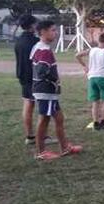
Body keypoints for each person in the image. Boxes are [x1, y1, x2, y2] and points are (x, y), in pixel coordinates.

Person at [31, 20, 82, 159]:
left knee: (59, 118)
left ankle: (65, 147)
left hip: (48, 92)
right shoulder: (44, 50)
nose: (56, 32)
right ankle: (41, 152)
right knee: (44, 119)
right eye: (53, 30)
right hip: (45, 91)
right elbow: (41, 70)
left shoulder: (39, 47)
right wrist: (54, 79)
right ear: (43, 32)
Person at [14, 14, 57, 147]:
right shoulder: (35, 42)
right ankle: (41, 136)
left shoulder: (18, 40)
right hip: (34, 77)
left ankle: (30, 135)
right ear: (32, 26)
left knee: (28, 104)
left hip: (22, 75)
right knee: (42, 107)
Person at [76, 33, 104, 130]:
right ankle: (103, 122)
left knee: (95, 102)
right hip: (102, 78)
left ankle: (96, 124)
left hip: (91, 78)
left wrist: (84, 66)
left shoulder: (91, 50)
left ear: (99, 41)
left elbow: (77, 55)